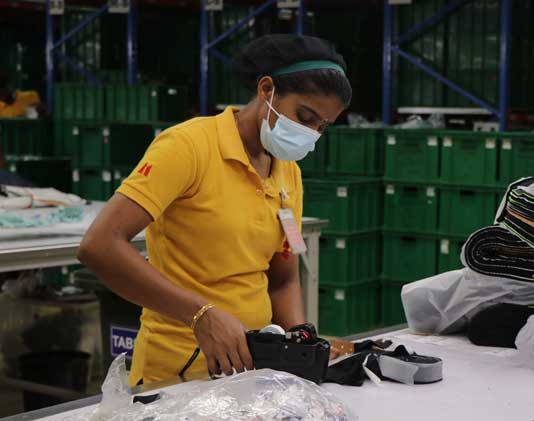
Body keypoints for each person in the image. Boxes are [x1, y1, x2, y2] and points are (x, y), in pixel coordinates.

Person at [78, 34, 351, 386]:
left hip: (252, 372)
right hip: (178, 373)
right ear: (267, 90)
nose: (310, 133)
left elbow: (283, 279)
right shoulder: (189, 147)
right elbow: (100, 244)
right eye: (305, 116)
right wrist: (201, 316)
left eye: (321, 127)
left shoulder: (288, 173)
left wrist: (300, 342)